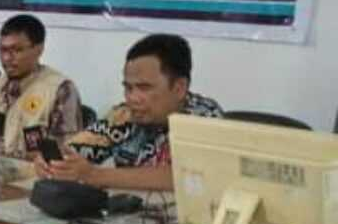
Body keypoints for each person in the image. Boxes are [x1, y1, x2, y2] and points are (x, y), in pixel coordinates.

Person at [42, 34, 223, 191]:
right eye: (128, 88)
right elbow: (74, 152)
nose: (132, 98)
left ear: (179, 88)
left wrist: (95, 175)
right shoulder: (123, 115)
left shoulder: (206, 119)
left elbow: (189, 176)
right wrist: (56, 163)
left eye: (144, 88)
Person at [0, 14, 81, 157]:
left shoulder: (60, 89)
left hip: (20, 168)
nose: (6, 58)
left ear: (39, 49)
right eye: (3, 50)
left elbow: (64, 158)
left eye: (16, 50)